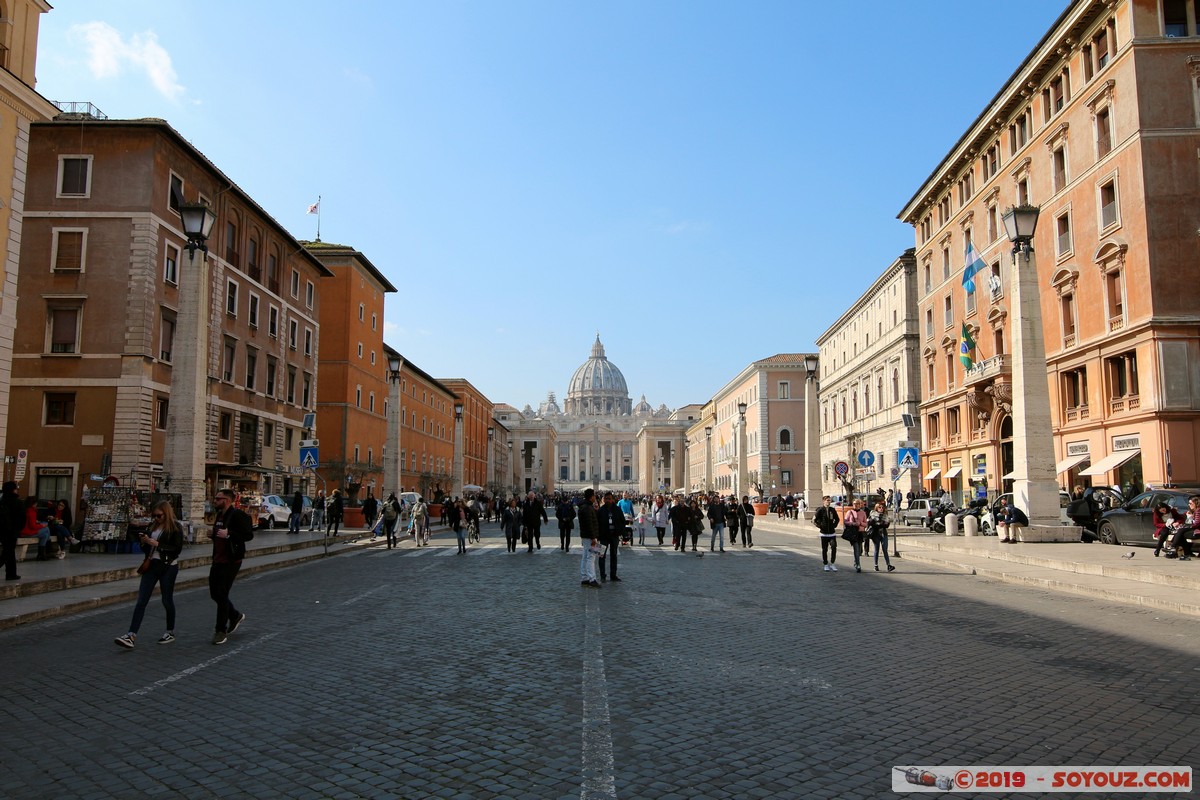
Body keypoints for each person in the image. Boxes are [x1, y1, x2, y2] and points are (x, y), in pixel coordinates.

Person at [114, 501, 185, 648]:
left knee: (166, 600)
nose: (156, 518)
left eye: (159, 516)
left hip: (168, 566)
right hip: (151, 565)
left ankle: (170, 631)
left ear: (167, 513)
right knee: (141, 601)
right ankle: (131, 635)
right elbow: (147, 548)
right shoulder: (152, 526)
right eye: (154, 516)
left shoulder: (175, 527)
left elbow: (177, 549)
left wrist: (157, 544)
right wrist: (144, 541)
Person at [209, 488, 254, 645]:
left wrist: (229, 535)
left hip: (231, 561)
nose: (215, 501)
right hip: (217, 559)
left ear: (226, 501)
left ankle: (220, 631)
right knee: (214, 593)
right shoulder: (220, 515)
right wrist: (213, 534)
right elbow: (220, 534)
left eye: (217, 498)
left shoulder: (237, 515)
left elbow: (248, 535)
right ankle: (234, 615)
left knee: (221, 594)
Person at [596, 491, 625, 581]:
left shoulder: (617, 509)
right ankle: (602, 575)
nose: (607, 500)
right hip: (603, 536)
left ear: (612, 499)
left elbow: (622, 521)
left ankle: (613, 575)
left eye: (609, 499)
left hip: (614, 536)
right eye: (606, 499)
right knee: (601, 556)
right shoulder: (600, 510)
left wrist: (619, 532)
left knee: (614, 555)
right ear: (604, 500)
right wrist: (598, 536)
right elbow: (597, 524)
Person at [1, 481, 24, 581]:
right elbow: (22, 518)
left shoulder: (1, 501)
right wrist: (18, 530)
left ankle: (11, 574)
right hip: (12, 531)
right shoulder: (18, 502)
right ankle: (11, 574)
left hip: (2, 531)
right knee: (8, 552)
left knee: (9, 552)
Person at [577, 488, 601, 587]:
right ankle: (592, 579)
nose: (595, 497)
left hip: (585, 535)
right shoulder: (587, 508)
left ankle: (584, 577)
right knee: (591, 557)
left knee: (585, 557)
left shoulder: (585, 507)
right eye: (594, 495)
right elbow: (589, 524)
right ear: (591, 497)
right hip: (590, 536)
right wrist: (593, 537)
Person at [868, 500, 895, 572]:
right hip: (876, 534)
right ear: (876, 508)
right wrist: (879, 523)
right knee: (876, 549)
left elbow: (886, 525)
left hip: (883, 534)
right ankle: (876, 565)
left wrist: (879, 523)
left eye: (882, 507)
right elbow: (871, 522)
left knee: (885, 549)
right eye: (879, 507)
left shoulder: (885, 516)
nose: (881, 508)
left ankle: (888, 565)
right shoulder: (873, 514)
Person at [814, 496, 839, 571]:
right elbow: (814, 520)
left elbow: (837, 519)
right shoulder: (820, 510)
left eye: (829, 500)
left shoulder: (832, 510)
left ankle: (832, 563)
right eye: (827, 500)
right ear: (823, 501)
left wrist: (834, 525)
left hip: (832, 533)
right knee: (825, 549)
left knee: (834, 547)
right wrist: (820, 526)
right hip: (824, 533)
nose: (829, 502)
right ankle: (825, 564)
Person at [842, 499, 867, 573]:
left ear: (860, 505)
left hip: (860, 532)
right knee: (856, 548)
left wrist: (860, 523)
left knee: (859, 550)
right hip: (853, 533)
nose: (856, 505)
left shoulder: (863, 513)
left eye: (857, 504)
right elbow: (845, 521)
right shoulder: (850, 512)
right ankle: (858, 565)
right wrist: (852, 523)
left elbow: (866, 523)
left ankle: (856, 562)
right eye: (854, 504)